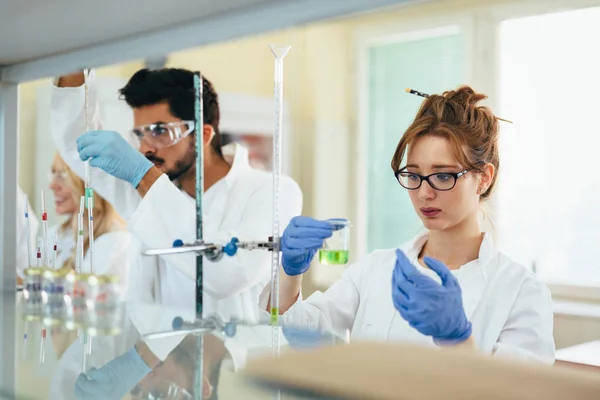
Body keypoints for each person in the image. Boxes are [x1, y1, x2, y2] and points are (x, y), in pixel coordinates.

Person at [268, 86, 555, 363]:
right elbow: (300, 338)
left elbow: (520, 392)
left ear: (483, 177)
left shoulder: (520, 291)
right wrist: (290, 273)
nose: (423, 193)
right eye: (414, 175)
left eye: (443, 176)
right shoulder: (375, 269)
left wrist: (459, 340)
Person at [50, 69, 302, 319]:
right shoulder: (145, 189)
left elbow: (229, 274)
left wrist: (143, 175)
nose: (146, 148)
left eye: (160, 131)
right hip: (153, 354)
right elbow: (77, 142)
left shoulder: (272, 191)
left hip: (233, 356)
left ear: (203, 135)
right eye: (140, 133)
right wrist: (78, 53)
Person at [47, 153, 131, 281]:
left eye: (63, 175)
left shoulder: (115, 243)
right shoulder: (57, 234)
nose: (52, 186)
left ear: (90, 184)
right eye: (53, 173)